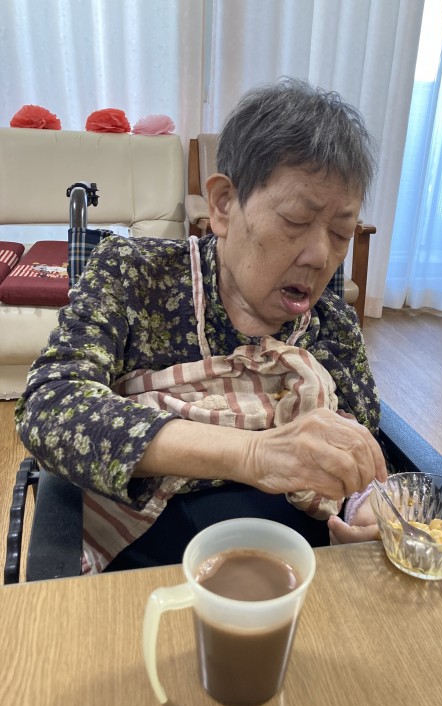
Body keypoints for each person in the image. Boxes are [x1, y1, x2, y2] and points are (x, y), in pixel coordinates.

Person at [15, 78, 387, 573]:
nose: (321, 256)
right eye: (297, 219)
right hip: (147, 573)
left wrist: (366, 507)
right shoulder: (133, 275)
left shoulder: (333, 327)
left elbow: (361, 447)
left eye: (341, 232)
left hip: (292, 574)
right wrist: (254, 454)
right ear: (224, 204)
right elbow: (50, 408)